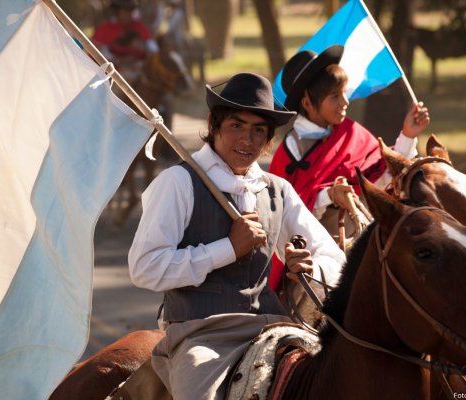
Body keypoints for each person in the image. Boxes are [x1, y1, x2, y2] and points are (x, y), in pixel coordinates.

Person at [127, 72, 345, 399]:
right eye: (236, 126)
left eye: (259, 131)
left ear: (269, 138)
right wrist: (228, 248)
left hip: (272, 328)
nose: (247, 140)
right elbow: (145, 267)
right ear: (214, 125)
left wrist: (310, 269)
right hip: (199, 336)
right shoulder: (178, 183)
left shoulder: (277, 191)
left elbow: (338, 261)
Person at [268, 45, 430, 291]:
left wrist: (407, 135)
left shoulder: (351, 132)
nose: (345, 102)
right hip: (313, 260)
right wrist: (328, 194)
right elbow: (282, 216)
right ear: (307, 102)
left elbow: (384, 178)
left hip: (365, 244)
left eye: (344, 93)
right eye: (335, 96)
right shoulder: (287, 155)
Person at [92, 0, 158, 81]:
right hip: (113, 73)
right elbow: (95, 50)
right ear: (118, 11)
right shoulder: (106, 28)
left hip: (139, 71)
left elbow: (153, 49)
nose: (129, 14)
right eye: (126, 10)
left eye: (131, 10)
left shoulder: (139, 27)